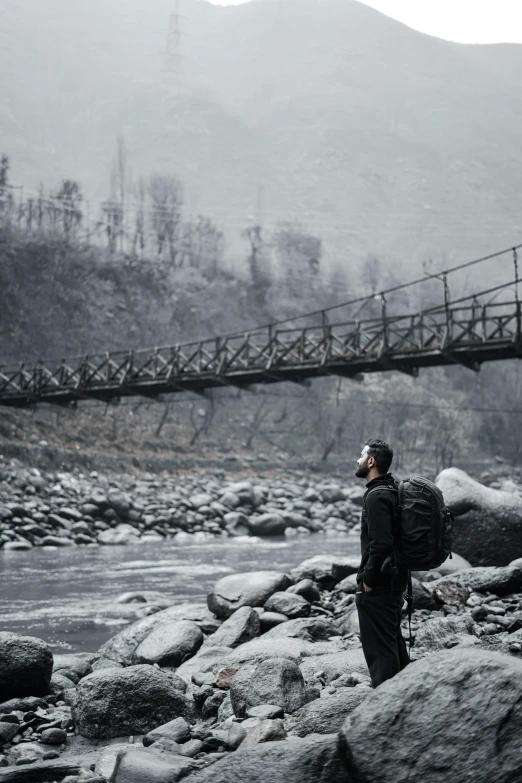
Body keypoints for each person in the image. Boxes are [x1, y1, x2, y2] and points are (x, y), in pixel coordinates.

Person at [355, 439, 409, 688]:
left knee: (380, 650)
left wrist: (368, 578)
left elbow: (381, 543)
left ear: (371, 461)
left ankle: (385, 704)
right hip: (395, 578)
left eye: (361, 455)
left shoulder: (376, 496)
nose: (357, 460)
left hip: (381, 582)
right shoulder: (391, 490)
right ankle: (404, 700)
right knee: (392, 642)